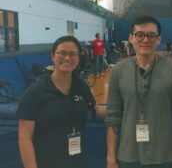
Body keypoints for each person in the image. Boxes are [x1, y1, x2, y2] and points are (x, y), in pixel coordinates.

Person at [105, 16, 172, 168]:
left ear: (159, 39)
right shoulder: (118, 71)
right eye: (139, 35)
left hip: (165, 155)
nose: (145, 40)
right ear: (131, 38)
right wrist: (111, 158)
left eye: (151, 35)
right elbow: (113, 117)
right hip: (128, 155)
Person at [17, 36, 106, 168]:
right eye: (62, 53)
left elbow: (97, 110)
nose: (67, 58)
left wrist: (126, 105)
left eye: (73, 54)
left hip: (78, 162)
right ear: (52, 56)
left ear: (78, 57)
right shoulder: (34, 93)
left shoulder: (81, 87)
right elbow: (25, 138)